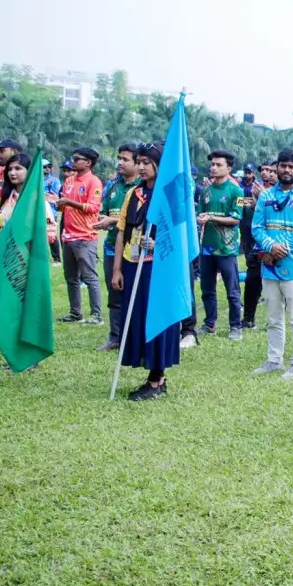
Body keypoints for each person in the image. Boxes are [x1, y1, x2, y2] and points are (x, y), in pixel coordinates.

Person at [111, 144, 180, 400]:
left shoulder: (170, 194)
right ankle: (151, 373)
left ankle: (156, 379)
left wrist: (158, 243)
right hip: (133, 264)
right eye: (138, 162)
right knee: (137, 318)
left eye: (147, 162)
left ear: (159, 165)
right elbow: (122, 232)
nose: (141, 167)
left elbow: (180, 236)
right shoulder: (134, 193)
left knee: (157, 319)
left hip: (158, 269)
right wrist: (117, 269)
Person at [250, 148, 293, 378]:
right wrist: (270, 246)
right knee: (273, 317)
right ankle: (274, 360)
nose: (286, 170)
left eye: (291, 166)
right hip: (269, 266)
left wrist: (281, 249)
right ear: (276, 167)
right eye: (283, 165)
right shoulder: (266, 196)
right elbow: (257, 227)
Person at [94, 144, 138, 350]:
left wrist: (112, 221)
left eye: (125, 159)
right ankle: (115, 337)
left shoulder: (141, 188)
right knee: (115, 290)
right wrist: (103, 219)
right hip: (112, 245)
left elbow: (136, 218)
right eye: (119, 158)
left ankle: (134, 336)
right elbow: (104, 210)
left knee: (135, 291)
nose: (120, 162)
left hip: (134, 248)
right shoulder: (113, 186)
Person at [197, 150, 245, 340]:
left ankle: (236, 326)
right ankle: (210, 324)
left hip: (227, 248)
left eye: (218, 165)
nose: (214, 168)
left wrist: (210, 217)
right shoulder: (206, 191)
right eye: (212, 164)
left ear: (229, 168)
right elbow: (201, 213)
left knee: (232, 291)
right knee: (207, 289)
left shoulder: (236, 191)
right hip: (207, 248)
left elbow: (235, 219)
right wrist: (201, 217)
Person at [55, 147, 105, 325]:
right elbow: (63, 206)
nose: (73, 162)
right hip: (68, 236)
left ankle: (96, 315)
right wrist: (60, 204)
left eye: (77, 159)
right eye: (73, 158)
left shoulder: (94, 182)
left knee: (89, 277)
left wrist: (69, 202)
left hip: (85, 236)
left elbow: (93, 208)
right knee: (71, 278)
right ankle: (76, 313)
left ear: (88, 163)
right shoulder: (69, 180)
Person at [0, 153, 56, 242]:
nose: (12, 173)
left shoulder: (38, 202)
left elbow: (50, 232)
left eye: (17, 168)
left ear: (29, 171)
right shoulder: (3, 201)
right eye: (10, 169)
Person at [240, 162, 272, 330]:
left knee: (278, 288)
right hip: (259, 245)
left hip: (279, 247)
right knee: (252, 281)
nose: (266, 173)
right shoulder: (258, 189)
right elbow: (256, 216)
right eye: (264, 170)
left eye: (270, 171)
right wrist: (256, 202)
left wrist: (262, 198)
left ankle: (276, 322)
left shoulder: (286, 192)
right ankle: (248, 319)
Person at [42, 160, 63, 264]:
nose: (47, 168)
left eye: (49, 166)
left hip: (50, 212)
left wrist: (45, 195)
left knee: (51, 235)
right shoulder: (36, 181)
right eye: (45, 166)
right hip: (38, 212)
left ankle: (56, 258)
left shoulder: (54, 180)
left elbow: (57, 196)